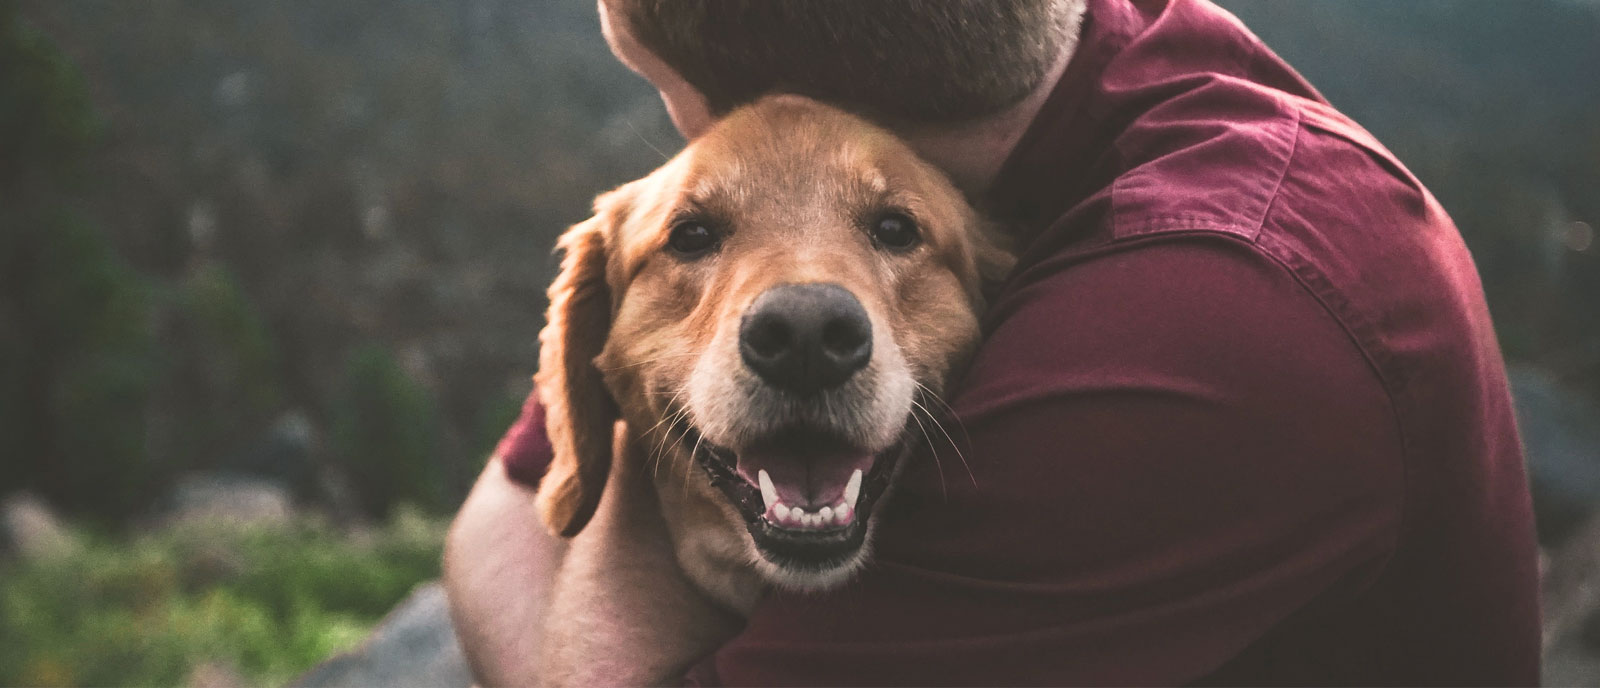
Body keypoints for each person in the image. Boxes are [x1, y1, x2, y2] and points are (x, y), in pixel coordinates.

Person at [444, 0, 1542, 684]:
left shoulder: (1208, 319)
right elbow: (502, 510)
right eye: (696, 226)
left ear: (774, 97)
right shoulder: (1037, 51)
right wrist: (638, 439)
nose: (801, 307)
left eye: (888, 229)